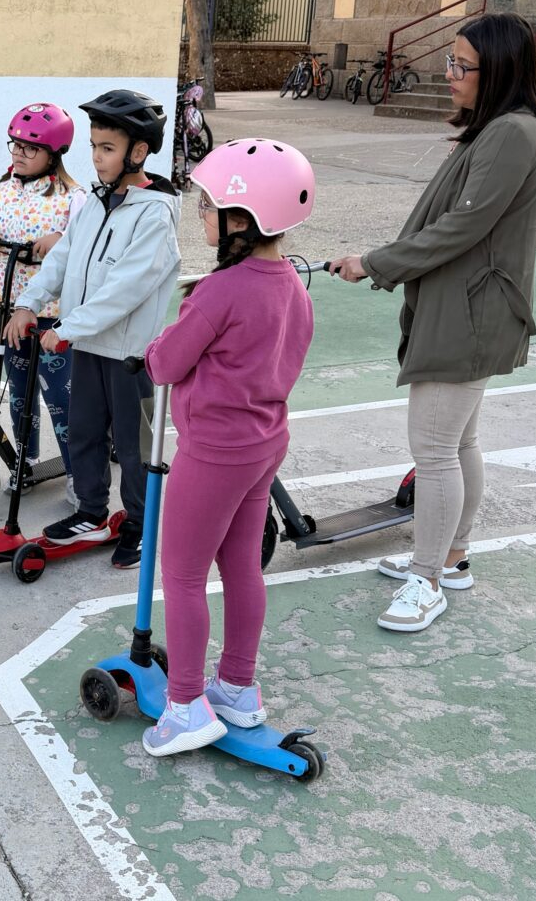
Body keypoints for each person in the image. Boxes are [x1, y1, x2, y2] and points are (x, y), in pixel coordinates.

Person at [328, 12, 536, 633]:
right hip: (467, 305)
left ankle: (428, 579)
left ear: (499, 71)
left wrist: (374, 262)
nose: (448, 74)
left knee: (433, 450)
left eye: (461, 65)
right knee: (458, 443)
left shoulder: (511, 134)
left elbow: (461, 227)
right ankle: (450, 559)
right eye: (449, 62)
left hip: (470, 313)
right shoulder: (500, 130)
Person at [140, 138, 316, 756]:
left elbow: (165, 364)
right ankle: (238, 686)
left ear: (243, 218)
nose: (201, 214)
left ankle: (186, 703)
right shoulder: (291, 284)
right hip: (264, 442)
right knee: (240, 563)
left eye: (209, 205)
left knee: (183, 572)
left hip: (214, 449)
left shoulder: (219, 292)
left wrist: (163, 340)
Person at [3, 90, 181, 568]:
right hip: (87, 347)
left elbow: (126, 288)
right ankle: (92, 512)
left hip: (129, 356)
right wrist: (28, 303)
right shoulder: (96, 202)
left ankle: (143, 524)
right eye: (95, 146)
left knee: (134, 444)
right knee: (83, 433)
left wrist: (67, 327)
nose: (97, 157)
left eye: (107, 148)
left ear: (138, 152)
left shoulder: (154, 215)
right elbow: (61, 258)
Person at [0, 103, 86, 505]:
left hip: (52, 318)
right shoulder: (0, 193)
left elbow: (87, 249)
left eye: (29, 149)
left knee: (62, 396)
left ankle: (79, 472)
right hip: (6, 307)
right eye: (14, 145)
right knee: (18, 391)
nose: (18, 153)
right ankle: (24, 458)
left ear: (53, 155)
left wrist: (61, 242)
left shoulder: (73, 199)